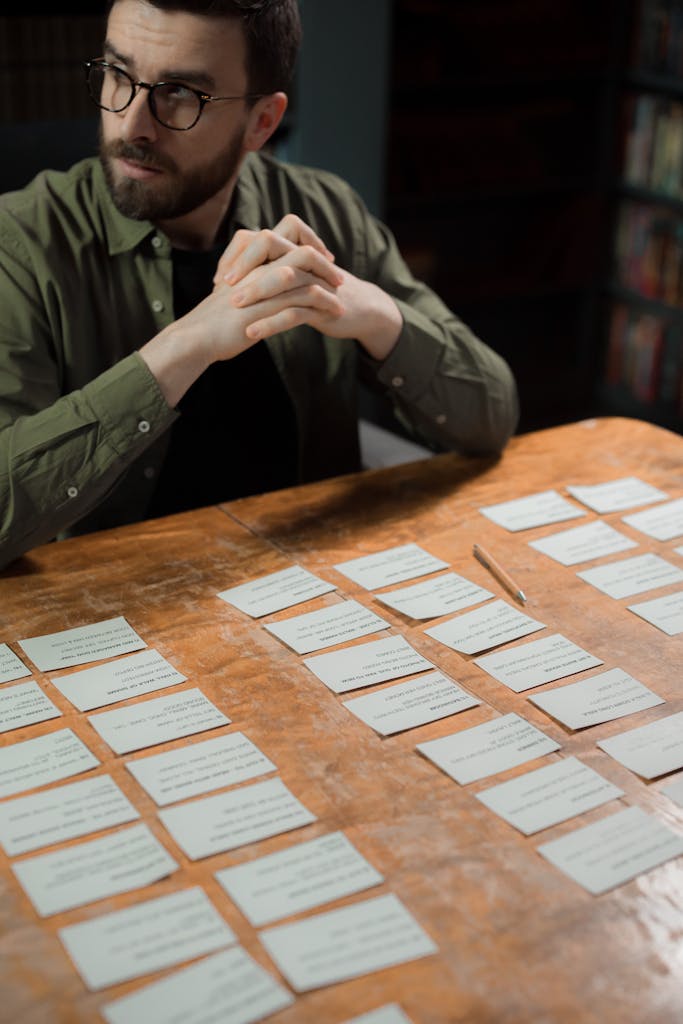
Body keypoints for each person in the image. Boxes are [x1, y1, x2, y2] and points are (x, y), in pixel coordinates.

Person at [0, 0, 518, 571]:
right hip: (117, 614)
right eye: (119, 75)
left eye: (180, 94)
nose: (133, 124)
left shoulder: (326, 212)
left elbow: (492, 418)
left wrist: (375, 312)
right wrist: (186, 345)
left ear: (261, 123)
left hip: (314, 590)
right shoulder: (22, 243)